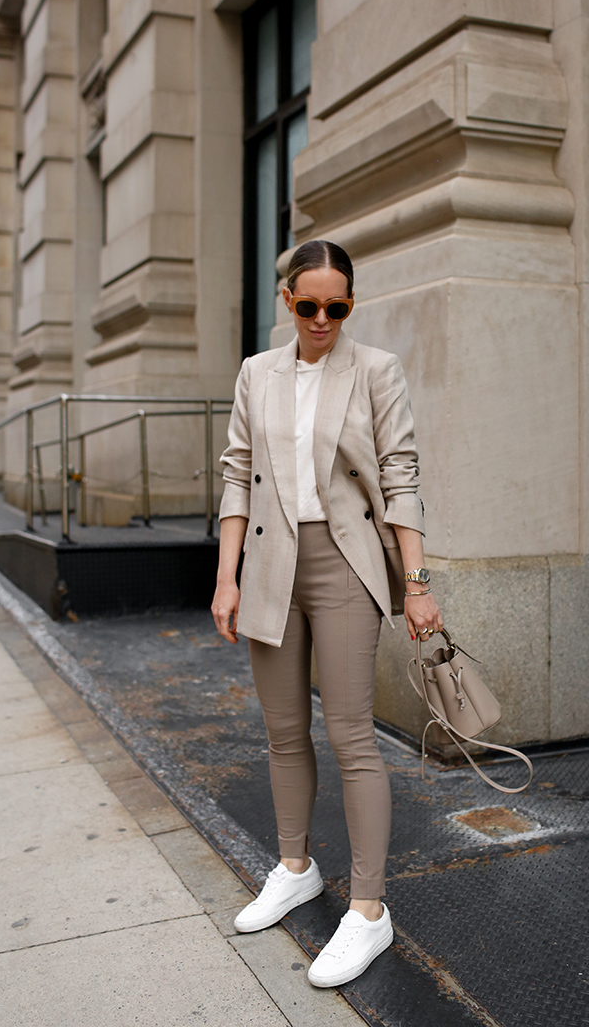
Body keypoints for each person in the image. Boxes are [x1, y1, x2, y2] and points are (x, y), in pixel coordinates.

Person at [211, 239, 442, 987]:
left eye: (336, 307)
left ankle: (369, 911)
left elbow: (401, 475)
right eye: (307, 305)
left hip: (345, 566)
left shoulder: (374, 370)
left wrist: (418, 582)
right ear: (287, 300)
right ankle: (293, 867)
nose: (321, 319)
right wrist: (225, 577)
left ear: (350, 303)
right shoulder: (257, 373)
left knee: (351, 736)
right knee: (283, 731)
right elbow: (238, 475)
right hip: (270, 566)